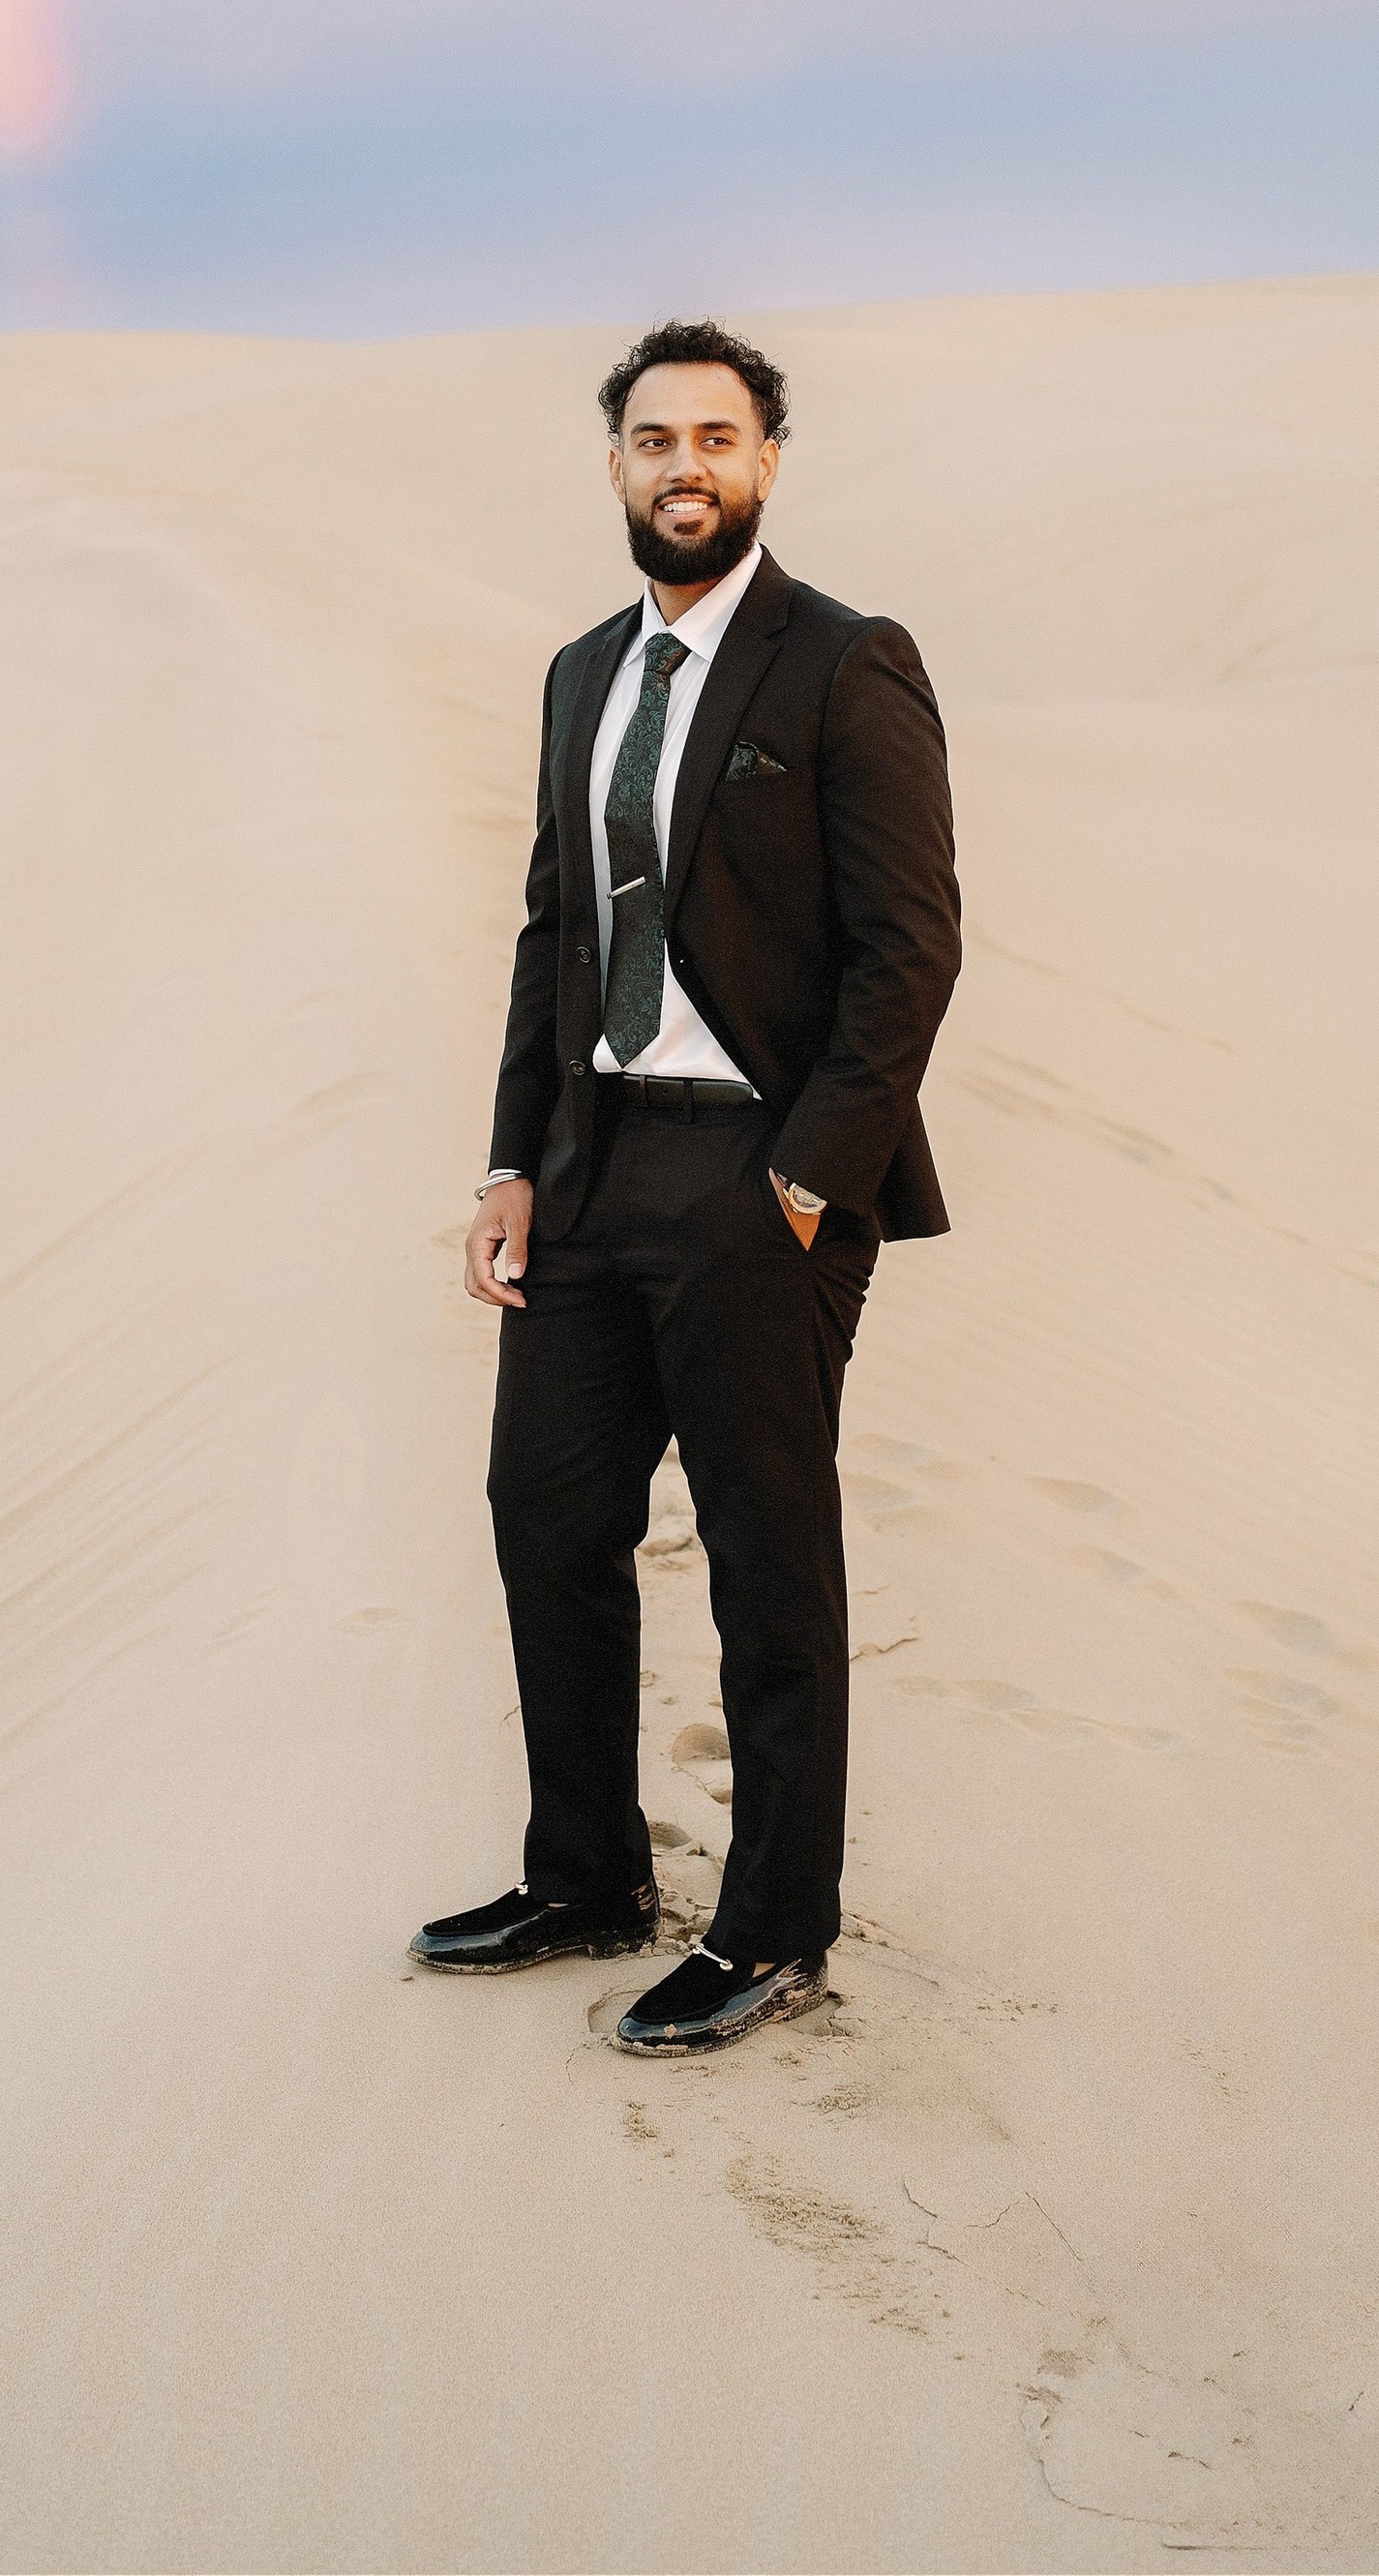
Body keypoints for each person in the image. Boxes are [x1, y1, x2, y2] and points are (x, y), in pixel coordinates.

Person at [411, 318, 961, 2052]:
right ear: (616, 468)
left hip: (755, 1179)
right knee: (546, 1517)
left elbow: (908, 957)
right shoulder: (582, 672)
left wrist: (805, 1183)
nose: (686, 468)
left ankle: (776, 1927)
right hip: (590, 1171)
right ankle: (585, 1877)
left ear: (769, 461)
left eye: (718, 439)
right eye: (655, 442)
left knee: (762, 1559)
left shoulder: (843, 663)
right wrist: (512, 1163)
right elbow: (553, 936)